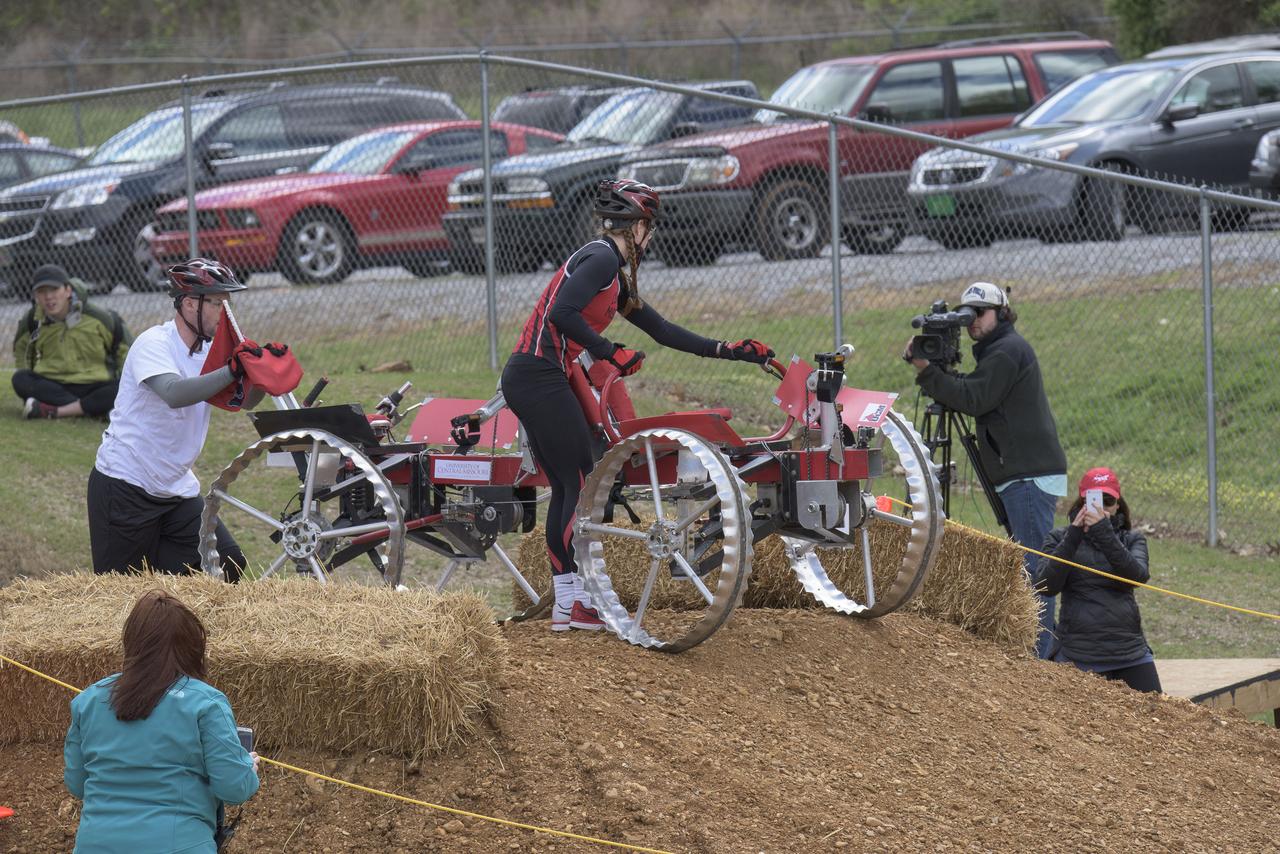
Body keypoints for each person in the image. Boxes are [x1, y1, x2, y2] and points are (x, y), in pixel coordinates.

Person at [501, 179, 773, 632]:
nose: (651, 237)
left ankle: (569, 604)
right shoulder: (602, 259)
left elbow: (663, 330)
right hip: (538, 376)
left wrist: (731, 349)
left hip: (538, 377)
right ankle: (575, 602)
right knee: (584, 484)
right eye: (649, 227)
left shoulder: (613, 273)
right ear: (638, 226)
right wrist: (610, 351)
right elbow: (561, 314)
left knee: (574, 485)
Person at [905, 281, 1067, 659]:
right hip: (1024, 473)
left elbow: (974, 399)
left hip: (1028, 475)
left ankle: (1039, 659)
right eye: (968, 314)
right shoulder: (999, 351)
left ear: (1001, 312)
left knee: (1032, 567)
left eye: (980, 313)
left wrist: (929, 373)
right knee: (1028, 564)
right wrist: (939, 374)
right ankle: (1040, 652)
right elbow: (973, 389)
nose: (973, 321)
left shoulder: (1006, 352)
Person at [87, 258, 265, 580]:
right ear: (188, 304)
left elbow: (244, 401)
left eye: (227, 303)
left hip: (175, 491)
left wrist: (263, 375)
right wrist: (231, 371)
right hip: (125, 486)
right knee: (120, 596)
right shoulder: (153, 343)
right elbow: (174, 393)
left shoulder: (215, 352)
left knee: (227, 565)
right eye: (215, 303)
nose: (225, 313)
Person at [64, 589, 260, 852]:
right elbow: (234, 788)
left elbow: (77, 784)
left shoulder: (88, 700)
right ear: (192, 647)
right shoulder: (206, 703)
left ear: (131, 642)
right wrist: (248, 768)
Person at [1033, 467, 1161, 693]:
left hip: (1128, 651)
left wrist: (1104, 534)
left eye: (1108, 500)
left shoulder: (1132, 539)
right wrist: (1074, 535)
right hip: (1078, 652)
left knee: (1159, 715)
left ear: (1118, 504)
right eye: (1093, 500)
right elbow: (1045, 585)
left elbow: (1137, 576)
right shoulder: (1060, 537)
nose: (1101, 507)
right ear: (1082, 503)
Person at [11, 263, 132, 420]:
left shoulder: (101, 318)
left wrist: (124, 380)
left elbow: (126, 350)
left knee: (121, 387)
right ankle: (96, 410)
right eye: (42, 291)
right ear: (35, 296)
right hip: (53, 384)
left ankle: (53, 411)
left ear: (68, 290)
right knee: (20, 379)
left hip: (95, 384)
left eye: (54, 289)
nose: (48, 297)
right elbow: (22, 350)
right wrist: (26, 369)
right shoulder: (32, 320)